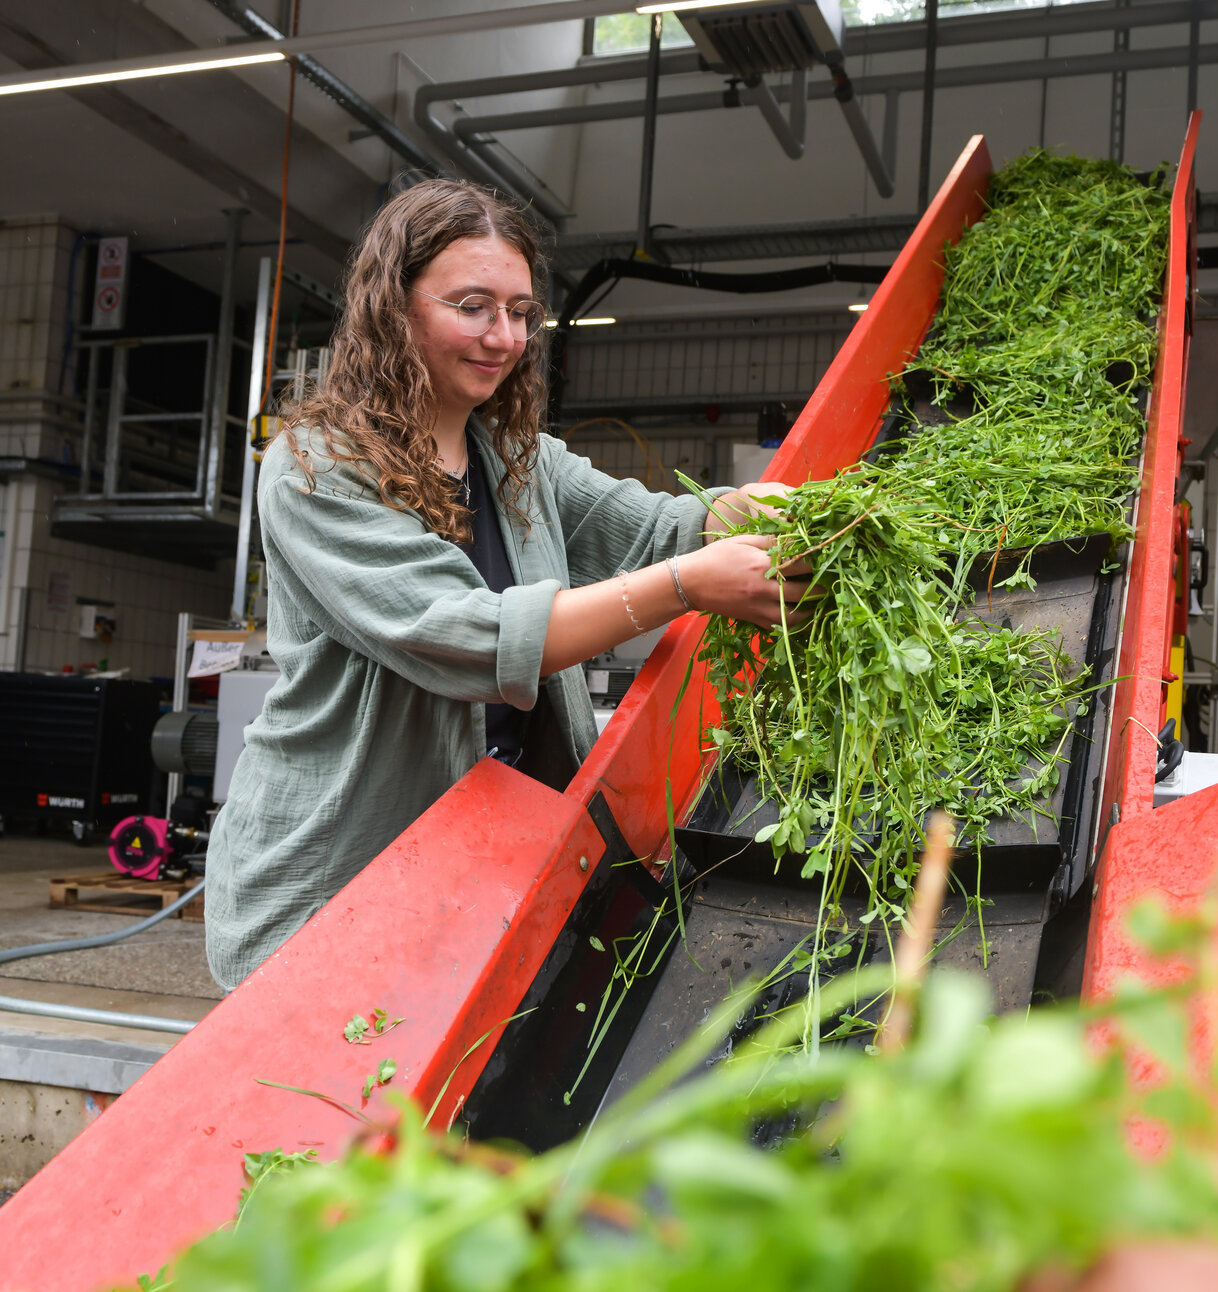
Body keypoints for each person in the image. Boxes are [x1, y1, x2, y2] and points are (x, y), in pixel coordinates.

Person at [204, 179, 811, 991]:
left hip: (481, 865)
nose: (504, 337)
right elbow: (472, 639)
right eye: (473, 307)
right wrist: (686, 585)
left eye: (522, 312)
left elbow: (653, 527)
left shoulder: (520, 460)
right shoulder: (318, 469)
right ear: (394, 309)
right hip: (339, 875)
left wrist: (745, 509)